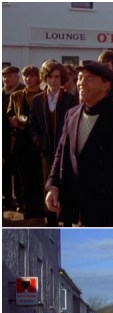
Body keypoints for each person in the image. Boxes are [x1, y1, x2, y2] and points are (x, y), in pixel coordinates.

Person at [44, 60, 113, 226]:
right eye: (79, 78)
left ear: (106, 85)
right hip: (77, 205)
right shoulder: (71, 115)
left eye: (89, 79)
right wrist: (53, 186)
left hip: (111, 207)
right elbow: (61, 154)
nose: (81, 83)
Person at [29, 61, 79, 226]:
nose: (53, 80)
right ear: (45, 78)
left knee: (67, 187)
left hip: (66, 152)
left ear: (62, 78)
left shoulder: (70, 100)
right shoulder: (37, 100)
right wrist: (39, 143)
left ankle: (68, 222)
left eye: (57, 77)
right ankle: (50, 222)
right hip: (47, 153)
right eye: (50, 77)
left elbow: (75, 125)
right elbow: (32, 125)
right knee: (49, 186)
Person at [7, 65, 44, 218]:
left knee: (39, 177)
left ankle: (40, 208)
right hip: (21, 142)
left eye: (32, 76)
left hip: (39, 143)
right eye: (26, 76)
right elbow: (9, 114)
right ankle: (26, 208)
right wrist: (11, 121)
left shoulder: (44, 95)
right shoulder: (15, 96)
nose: (29, 79)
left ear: (38, 78)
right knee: (23, 178)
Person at [3, 65, 25, 210]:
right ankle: (6, 197)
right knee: (3, 169)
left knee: (18, 171)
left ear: (17, 77)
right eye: (4, 76)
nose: (6, 79)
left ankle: (20, 200)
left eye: (9, 76)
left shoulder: (21, 92)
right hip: (3, 137)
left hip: (18, 137)